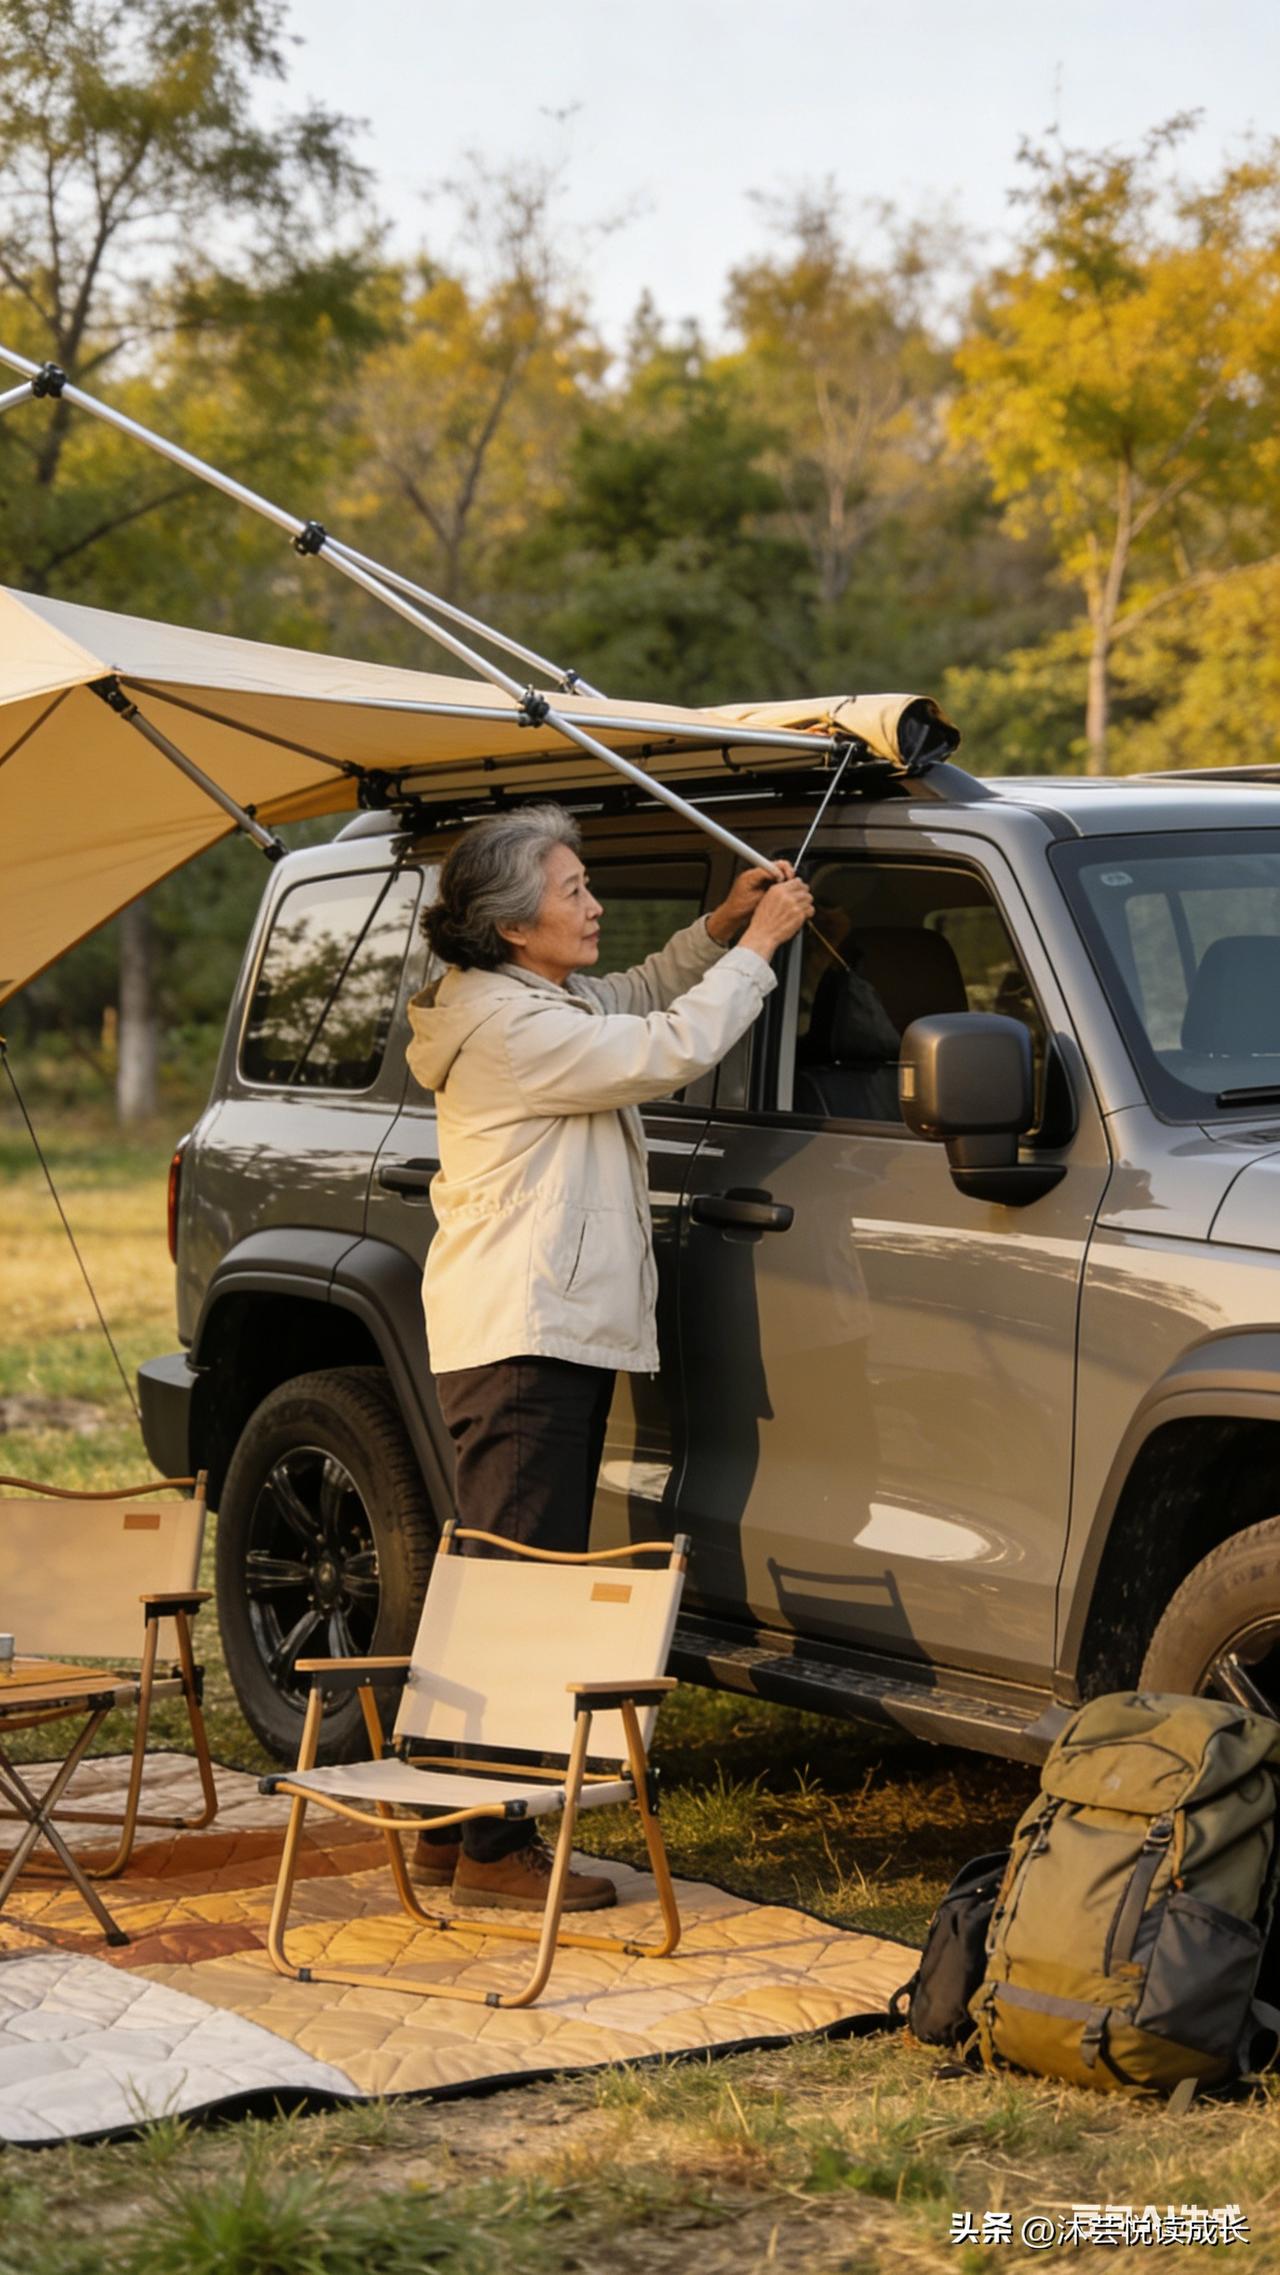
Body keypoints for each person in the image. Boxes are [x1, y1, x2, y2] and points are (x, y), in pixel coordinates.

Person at [403, 802, 813, 1909]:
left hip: (524, 1329)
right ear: (511, 923)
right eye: (573, 890)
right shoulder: (510, 1028)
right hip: (523, 1336)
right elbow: (661, 1048)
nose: (593, 904)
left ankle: (447, 1826)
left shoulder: (523, 998)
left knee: (493, 1578)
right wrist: (762, 948)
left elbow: (629, 997)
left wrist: (714, 932)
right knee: (519, 1590)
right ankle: (495, 1852)